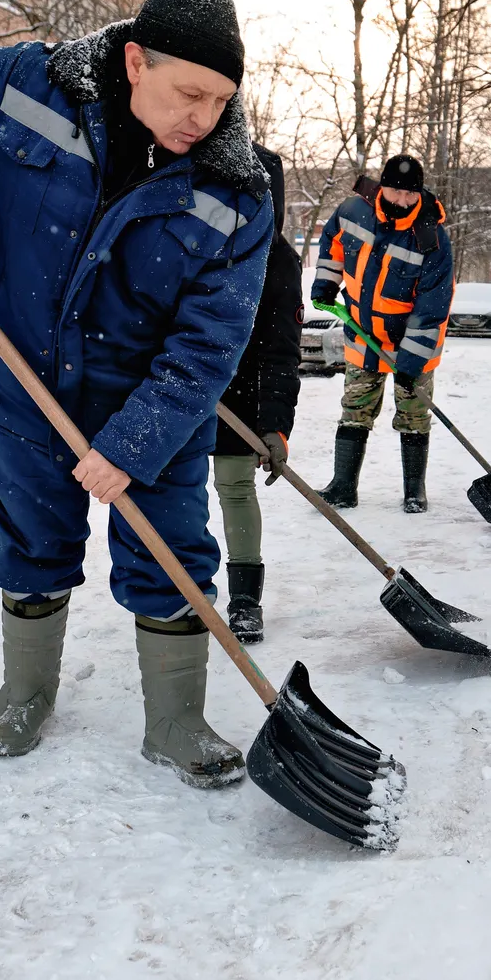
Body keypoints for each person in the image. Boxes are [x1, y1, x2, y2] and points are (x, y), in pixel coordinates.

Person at [0, 0, 275, 786]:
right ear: (138, 60)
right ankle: (26, 691)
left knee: (172, 555)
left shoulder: (236, 196)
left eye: (221, 101)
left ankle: (177, 720)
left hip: (153, 407)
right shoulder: (28, 85)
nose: (203, 118)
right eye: (188, 93)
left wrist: (133, 444)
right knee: (27, 545)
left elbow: (209, 343)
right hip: (21, 384)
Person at [310, 153, 454, 513]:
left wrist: (412, 358)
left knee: (414, 414)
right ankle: (343, 486)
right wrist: (327, 282)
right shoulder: (353, 211)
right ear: (382, 186)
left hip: (413, 343)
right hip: (363, 334)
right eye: (394, 191)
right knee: (354, 410)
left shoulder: (430, 237)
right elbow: (332, 242)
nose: (401, 200)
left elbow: (434, 303)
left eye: (410, 194)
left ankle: (413, 490)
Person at [212, 146, 302, 644]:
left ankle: (245, 598)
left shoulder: (278, 260)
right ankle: (176, 593)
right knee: (166, 488)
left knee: (234, 486)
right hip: (177, 383)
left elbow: (280, 350)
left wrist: (274, 425)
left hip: (241, 395)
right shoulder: (191, 237)